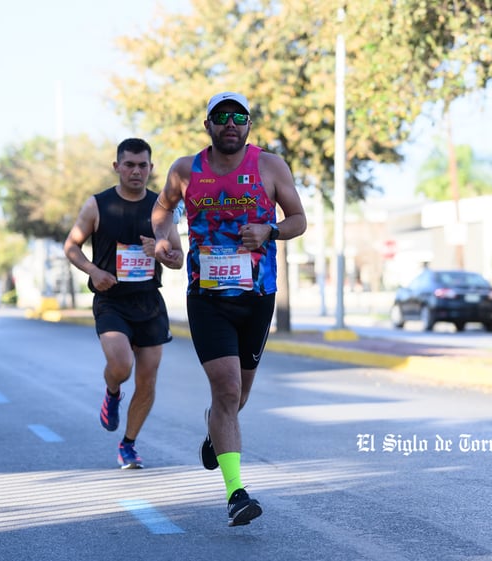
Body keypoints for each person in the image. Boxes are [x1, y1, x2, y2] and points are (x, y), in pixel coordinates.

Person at [151, 92, 307, 526]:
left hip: (258, 296)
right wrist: (167, 240)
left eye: (239, 116)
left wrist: (269, 230)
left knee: (238, 396)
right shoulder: (185, 170)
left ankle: (215, 432)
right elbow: (162, 210)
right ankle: (236, 493)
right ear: (208, 126)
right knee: (225, 388)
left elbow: (298, 219)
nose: (230, 123)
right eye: (221, 117)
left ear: (249, 124)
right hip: (207, 297)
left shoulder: (270, 165)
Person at [63, 138, 184, 469]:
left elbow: (178, 259)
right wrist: (92, 270)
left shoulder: (161, 210)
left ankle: (128, 444)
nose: (136, 171)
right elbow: (71, 246)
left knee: (147, 379)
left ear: (151, 168)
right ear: (116, 166)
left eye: (142, 165)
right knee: (121, 366)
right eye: (129, 164)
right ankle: (112, 391)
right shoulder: (98, 205)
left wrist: (160, 252)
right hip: (111, 299)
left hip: (148, 301)